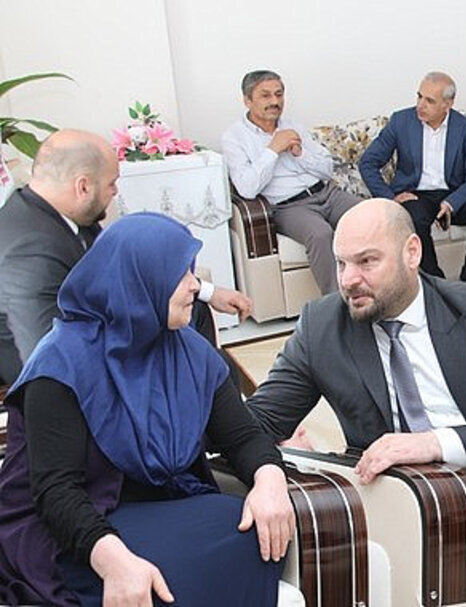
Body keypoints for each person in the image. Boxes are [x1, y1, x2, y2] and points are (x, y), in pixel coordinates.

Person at [0, 213, 294, 606]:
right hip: (74, 529)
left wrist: (270, 481)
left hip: (157, 506)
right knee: (216, 547)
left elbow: (242, 436)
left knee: (255, 527)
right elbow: (57, 491)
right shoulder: (61, 364)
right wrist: (113, 561)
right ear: (139, 282)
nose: (195, 285)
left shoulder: (190, 352)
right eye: (180, 274)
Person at [245, 198, 466, 557]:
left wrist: (431, 443)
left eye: (367, 261)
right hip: (392, 503)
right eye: (341, 263)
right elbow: (256, 423)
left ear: (412, 252)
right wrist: (276, 466)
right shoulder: (321, 326)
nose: (348, 280)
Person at [0, 129, 251, 386]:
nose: (115, 192)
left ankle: (202, 393)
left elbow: (127, 266)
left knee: (196, 313)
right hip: (72, 364)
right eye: (111, 183)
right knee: (214, 365)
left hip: (98, 323)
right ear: (83, 186)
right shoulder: (29, 251)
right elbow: (48, 355)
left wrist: (208, 291)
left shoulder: (66, 212)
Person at [222, 70, 361, 295]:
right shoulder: (234, 138)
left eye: (279, 94)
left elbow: (327, 169)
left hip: (327, 193)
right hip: (289, 207)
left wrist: (300, 153)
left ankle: (389, 291)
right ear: (247, 100)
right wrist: (273, 150)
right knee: (320, 234)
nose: (275, 101)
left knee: (375, 215)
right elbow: (247, 189)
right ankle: (338, 303)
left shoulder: (293, 124)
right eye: (265, 95)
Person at [359, 72, 466, 282]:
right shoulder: (401, 121)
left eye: (429, 100)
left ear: (447, 104)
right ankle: (436, 283)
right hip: (417, 195)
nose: (420, 105)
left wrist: (451, 203)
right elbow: (368, 163)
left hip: (452, 194)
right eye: (419, 96)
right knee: (414, 219)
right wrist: (391, 198)